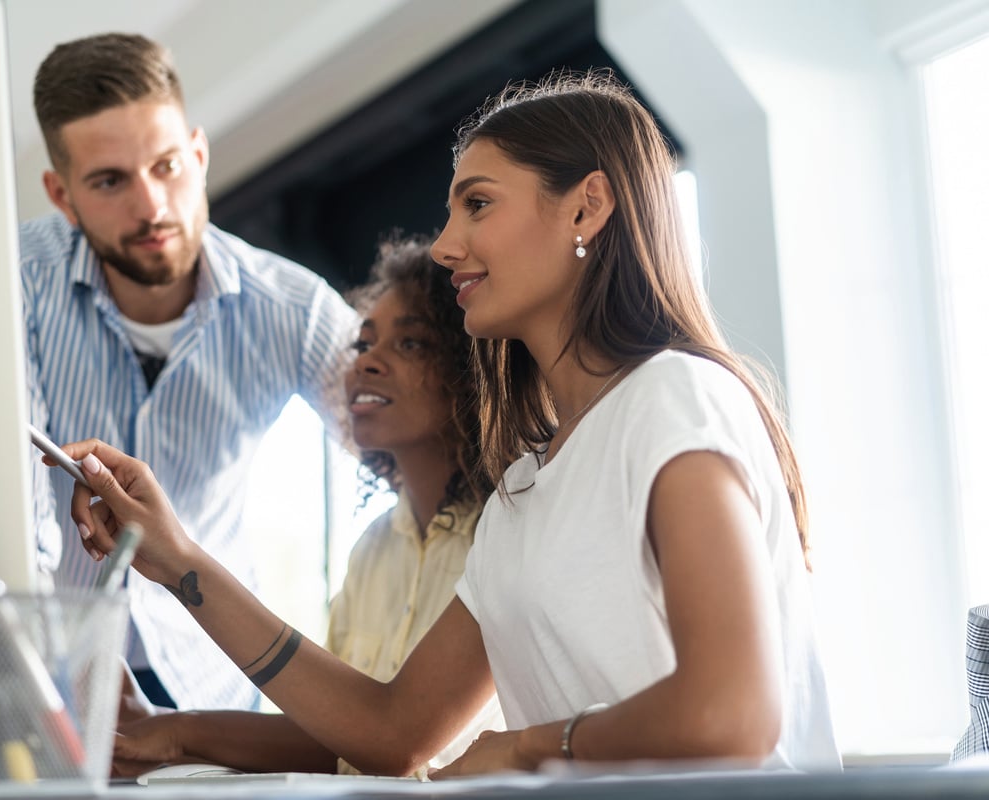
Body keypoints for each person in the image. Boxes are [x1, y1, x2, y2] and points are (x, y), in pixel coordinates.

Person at [62, 70, 841, 777]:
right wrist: (175, 559)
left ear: (586, 205)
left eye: (478, 203)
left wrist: (532, 747)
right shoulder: (524, 496)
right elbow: (390, 728)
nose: (444, 246)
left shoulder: (673, 398)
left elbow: (731, 717)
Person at [0, 31, 356, 791]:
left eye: (167, 167)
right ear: (62, 195)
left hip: (218, 710)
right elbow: (10, 520)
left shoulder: (296, 310)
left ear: (199, 152)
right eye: (111, 181)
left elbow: (405, 459)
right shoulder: (7, 283)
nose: (152, 204)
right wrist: (9, 736)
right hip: (46, 700)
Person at [109, 236, 503, 779]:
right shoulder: (374, 549)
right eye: (362, 345)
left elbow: (393, 741)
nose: (367, 363)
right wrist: (163, 730)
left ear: (470, 369)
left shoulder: (504, 534)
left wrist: (177, 558)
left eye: (410, 344)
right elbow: (335, 736)